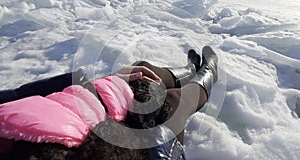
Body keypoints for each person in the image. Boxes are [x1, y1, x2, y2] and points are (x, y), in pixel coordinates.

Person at [0, 46, 218, 160]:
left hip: (82, 103)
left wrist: (92, 83)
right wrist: (158, 135)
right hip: (117, 144)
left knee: (140, 70)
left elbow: (17, 94)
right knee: (172, 101)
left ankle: (189, 70)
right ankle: (207, 73)